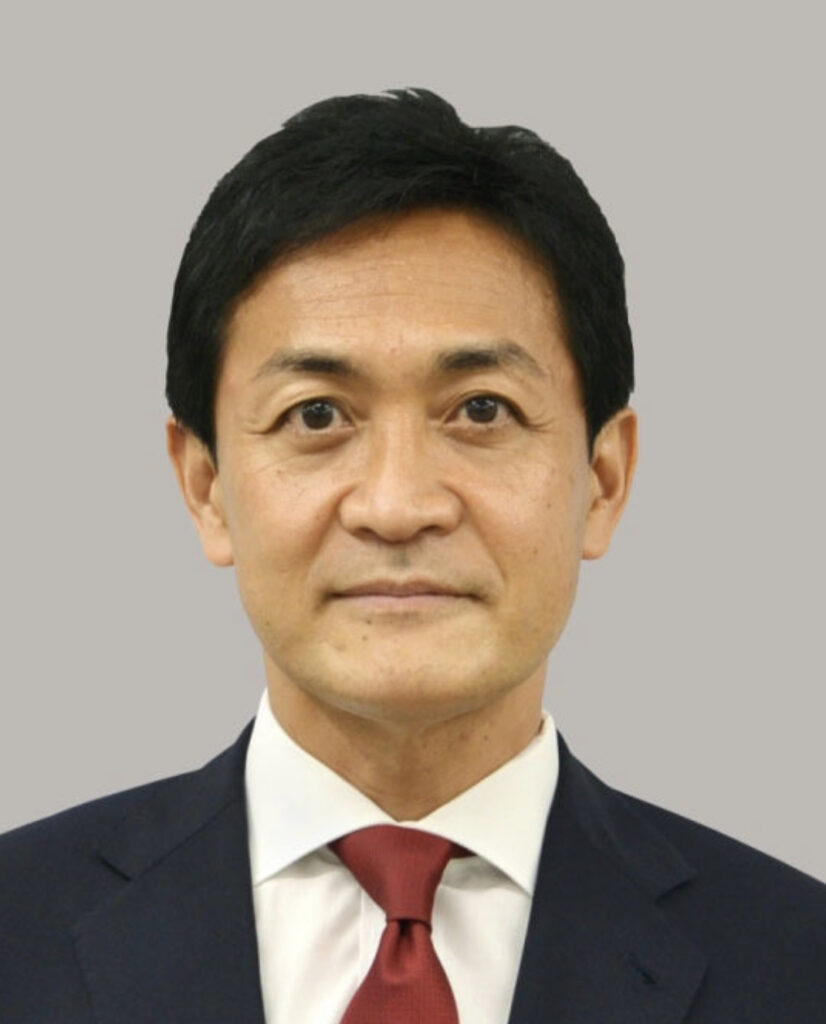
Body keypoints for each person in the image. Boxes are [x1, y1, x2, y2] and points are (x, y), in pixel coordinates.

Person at [1, 88, 823, 1023]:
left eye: (481, 410)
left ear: (603, 480)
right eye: (316, 415)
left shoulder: (798, 963)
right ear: (206, 485)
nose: (397, 507)